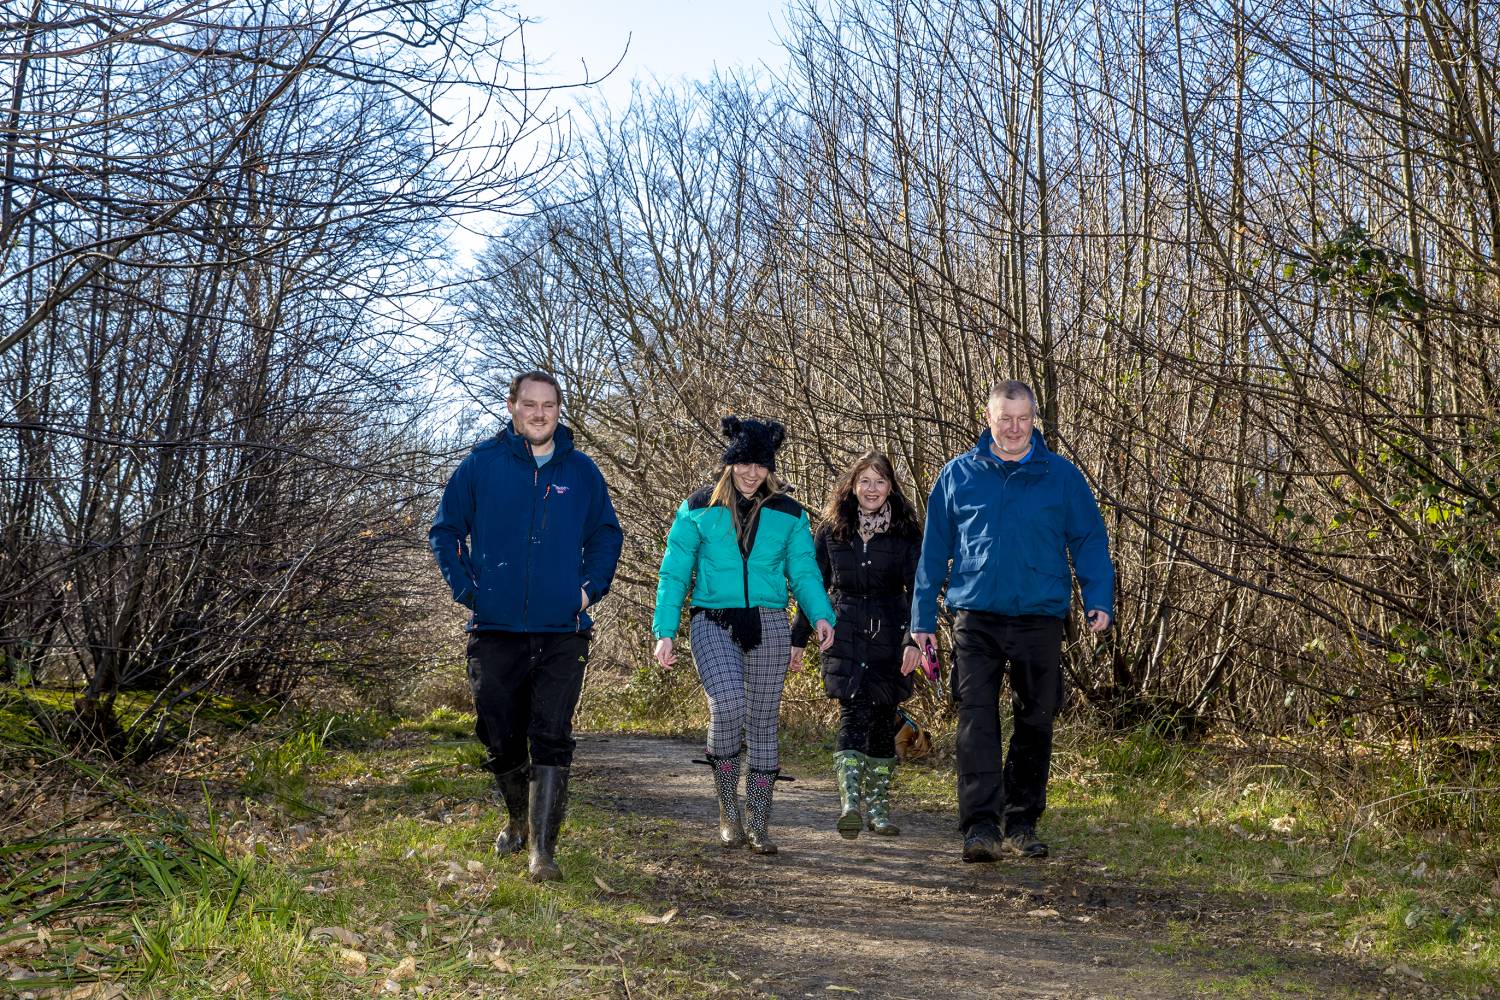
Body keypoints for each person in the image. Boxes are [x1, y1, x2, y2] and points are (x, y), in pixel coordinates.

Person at [429, 371, 623, 882]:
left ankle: (542, 851)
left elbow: (606, 535)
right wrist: (469, 590)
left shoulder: (581, 471)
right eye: (530, 405)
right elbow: (445, 531)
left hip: (563, 628)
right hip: (494, 628)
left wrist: (586, 590)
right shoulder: (482, 466)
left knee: (552, 732)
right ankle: (517, 819)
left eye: (549, 406)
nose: (540, 414)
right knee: (500, 735)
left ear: (559, 410)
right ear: (513, 407)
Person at [910, 380, 1113, 863]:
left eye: (1023, 418)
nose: (1014, 427)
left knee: (1035, 720)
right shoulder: (958, 474)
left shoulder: (1061, 476)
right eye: (1005, 418)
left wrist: (1097, 597)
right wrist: (921, 620)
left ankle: (1022, 821)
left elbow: (1089, 539)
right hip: (975, 615)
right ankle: (980, 827)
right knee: (976, 720)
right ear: (988, 417)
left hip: (1039, 617)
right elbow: (933, 552)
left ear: (1035, 420)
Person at [653, 417, 836, 855]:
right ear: (729, 463)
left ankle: (758, 821)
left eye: (760, 465)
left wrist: (821, 614)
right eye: (743, 463)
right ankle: (727, 810)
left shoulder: (788, 513)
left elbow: (804, 571)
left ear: (770, 467)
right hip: (712, 620)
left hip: (770, 621)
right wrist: (665, 631)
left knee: (762, 720)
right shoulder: (697, 508)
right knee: (729, 704)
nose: (751, 473)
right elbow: (675, 572)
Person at [791, 451, 923, 839]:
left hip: (890, 632)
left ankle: (879, 810)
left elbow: (919, 589)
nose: (872, 489)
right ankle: (850, 803)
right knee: (852, 713)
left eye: (880, 481)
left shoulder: (906, 531)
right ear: (852, 485)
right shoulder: (832, 529)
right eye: (864, 480)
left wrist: (913, 639)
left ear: (890, 488)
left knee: (883, 717)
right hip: (844, 628)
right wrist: (798, 638)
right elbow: (812, 586)